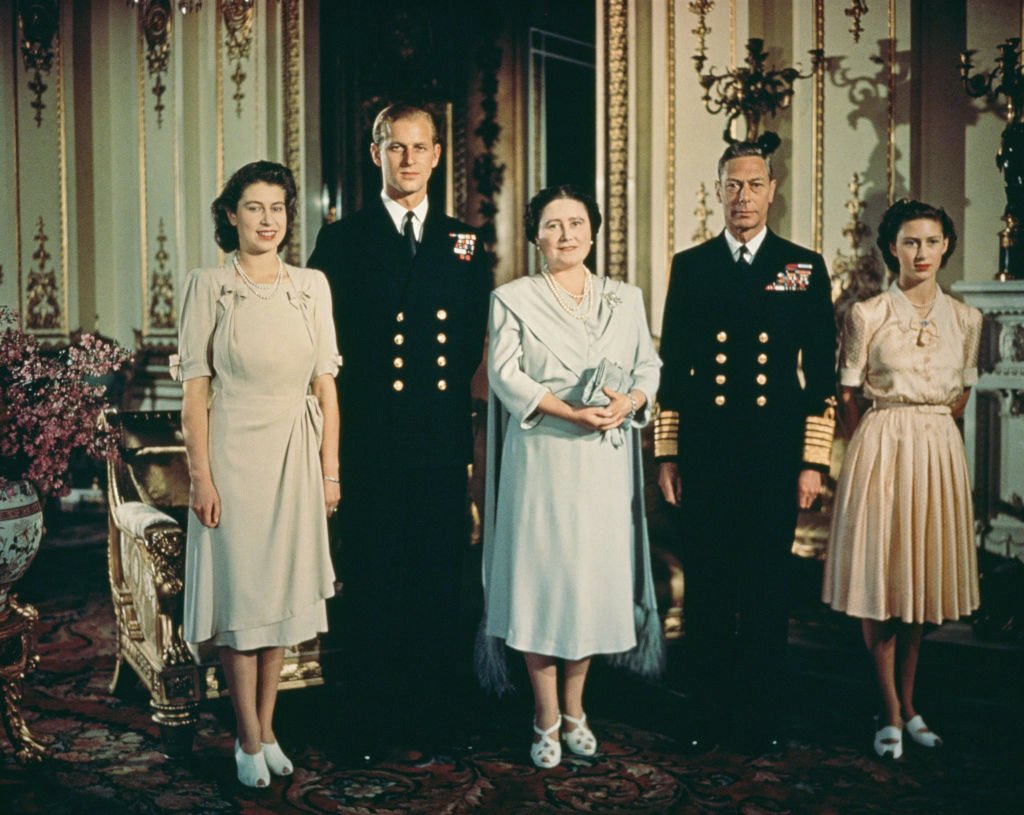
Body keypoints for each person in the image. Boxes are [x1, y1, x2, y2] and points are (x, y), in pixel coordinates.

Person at [307, 103, 491, 756]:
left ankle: (432, 718)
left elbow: (470, 338)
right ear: (375, 153)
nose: (409, 159)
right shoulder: (341, 239)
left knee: (438, 583)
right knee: (375, 582)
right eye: (396, 147)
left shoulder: (465, 241)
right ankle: (370, 722)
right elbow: (321, 341)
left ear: (439, 155)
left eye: (421, 147)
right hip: (371, 442)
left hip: (439, 443)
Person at [655, 141, 837, 752]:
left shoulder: (801, 266)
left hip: (772, 453)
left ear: (772, 190)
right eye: (732, 185)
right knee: (708, 586)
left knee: (764, 588)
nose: (743, 197)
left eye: (754, 185)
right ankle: (706, 714)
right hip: (707, 452)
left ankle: (760, 719)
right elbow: (673, 367)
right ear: (717, 190)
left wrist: (813, 460)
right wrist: (668, 454)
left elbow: (822, 370)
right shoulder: (693, 264)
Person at [477, 185, 664, 769]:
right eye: (553, 225)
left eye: (576, 223)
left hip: (603, 461)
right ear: (535, 236)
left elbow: (648, 365)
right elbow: (506, 377)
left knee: (587, 586)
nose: (566, 235)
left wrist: (630, 401)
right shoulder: (512, 298)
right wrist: (569, 411)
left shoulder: (624, 297)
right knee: (543, 583)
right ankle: (544, 716)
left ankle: (577, 709)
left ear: (593, 229)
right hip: (543, 458)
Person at [173, 161, 340, 788]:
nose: (267, 220)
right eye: (253, 208)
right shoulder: (207, 286)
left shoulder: (312, 286)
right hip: (234, 453)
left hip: (296, 454)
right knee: (243, 604)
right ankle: (244, 736)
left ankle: (268, 728)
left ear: (288, 216)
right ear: (230, 215)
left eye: (277, 208)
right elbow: (194, 395)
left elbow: (326, 387)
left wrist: (331, 471)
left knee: (277, 603)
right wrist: (202, 477)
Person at [823, 199, 981, 759]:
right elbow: (848, 394)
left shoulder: (966, 320)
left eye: (932, 242)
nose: (922, 252)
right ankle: (888, 710)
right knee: (882, 582)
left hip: (937, 449)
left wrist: (928, 430)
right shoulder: (866, 315)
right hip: (882, 446)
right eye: (910, 242)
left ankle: (911, 706)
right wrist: (877, 442)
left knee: (919, 584)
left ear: (945, 248)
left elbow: (960, 395)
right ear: (893, 247)